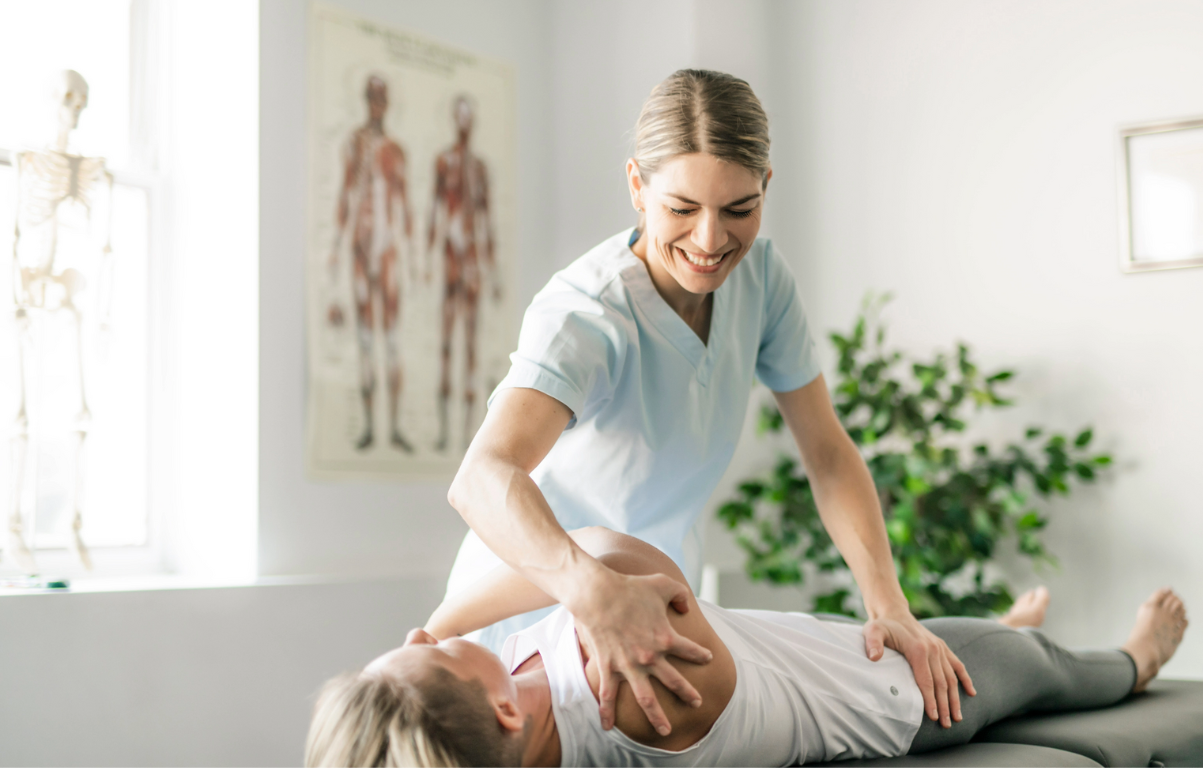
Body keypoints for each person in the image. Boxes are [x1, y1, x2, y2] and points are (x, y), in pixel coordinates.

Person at [444, 67, 973, 739]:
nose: (710, 240)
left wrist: (889, 605)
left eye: (739, 210)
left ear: (766, 189)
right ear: (637, 186)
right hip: (538, 622)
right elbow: (481, 479)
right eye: (682, 209)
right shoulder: (586, 314)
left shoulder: (763, 281)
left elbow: (828, 453)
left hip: (657, 612)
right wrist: (591, 592)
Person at [305, 528, 1189, 767]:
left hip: (812, 647)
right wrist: (448, 618)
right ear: (500, 706)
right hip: (900, 695)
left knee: (993, 635)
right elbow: (605, 550)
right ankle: (1137, 656)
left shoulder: (516, 725)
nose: (427, 633)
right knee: (1042, 671)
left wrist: (442, 647)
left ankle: (1001, 624)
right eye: (429, 650)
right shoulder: (638, 693)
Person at [332, 74, 414, 453]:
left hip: (388, 250)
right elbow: (346, 196)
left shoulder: (395, 151)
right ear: (367, 101)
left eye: (383, 98)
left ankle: (394, 427)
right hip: (363, 249)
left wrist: (413, 259)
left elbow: (405, 205)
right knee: (366, 341)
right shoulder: (355, 143)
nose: (378, 105)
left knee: (393, 341)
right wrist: (336, 249)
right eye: (373, 98)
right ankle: (368, 426)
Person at [427, 94, 499, 453]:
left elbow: (487, 222)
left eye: (470, 117)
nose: (465, 123)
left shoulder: (480, 169)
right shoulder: (444, 162)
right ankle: (443, 432)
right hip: (452, 261)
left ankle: (469, 435)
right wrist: (426, 261)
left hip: (470, 263)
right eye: (461, 117)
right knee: (445, 343)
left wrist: (493, 271)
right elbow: (435, 211)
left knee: (470, 345)